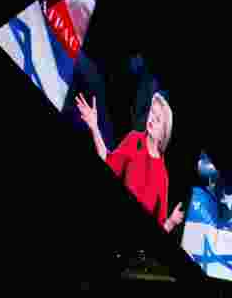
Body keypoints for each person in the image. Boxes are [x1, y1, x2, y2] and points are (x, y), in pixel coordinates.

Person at [75, 91, 185, 232]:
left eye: (157, 119)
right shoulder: (133, 139)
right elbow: (107, 160)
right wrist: (94, 127)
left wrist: (171, 222)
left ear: (163, 134)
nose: (151, 119)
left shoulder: (162, 177)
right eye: (152, 112)